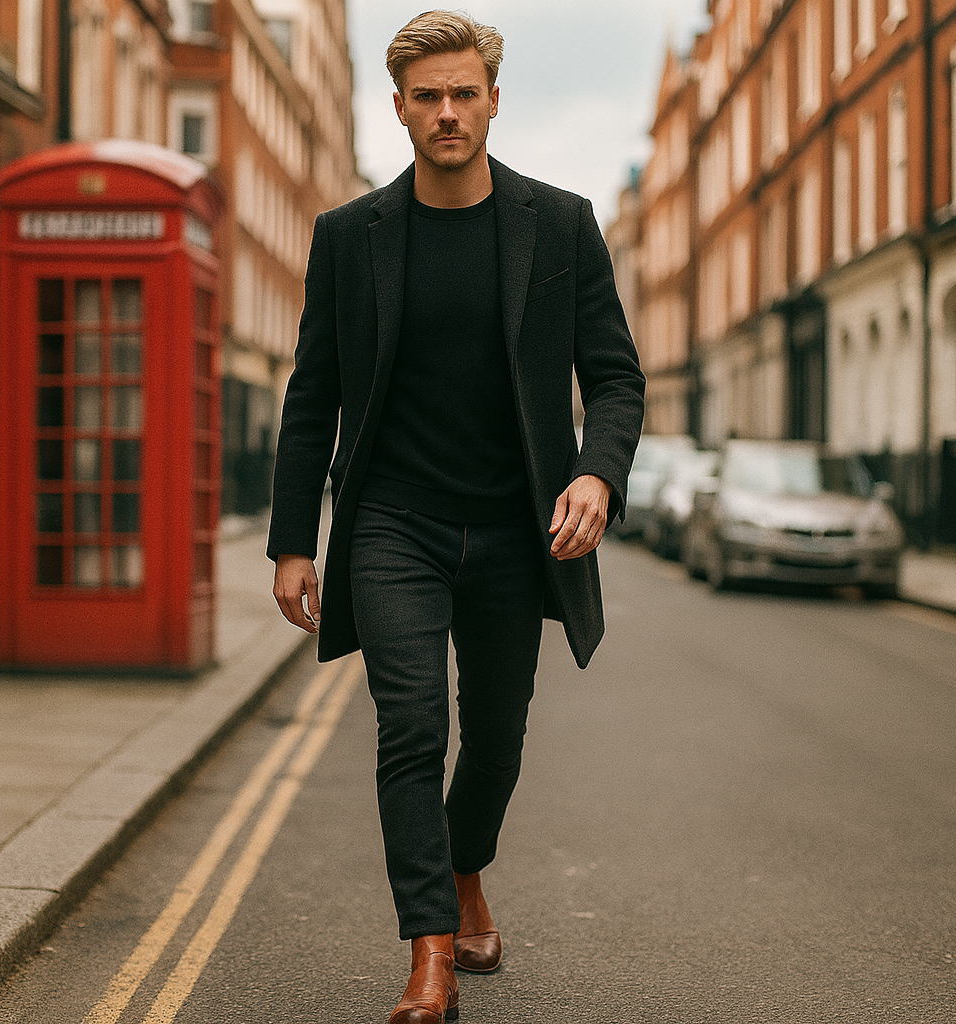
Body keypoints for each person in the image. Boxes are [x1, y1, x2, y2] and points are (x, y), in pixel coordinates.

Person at [268, 10, 644, 1023]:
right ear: (398, 108)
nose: (445, 111)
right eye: (425, 96)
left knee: (498, 740)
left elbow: (612, 377)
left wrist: (597, 477)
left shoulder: (558, 224)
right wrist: (293, 540)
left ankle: (466, 864)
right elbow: (313, 395)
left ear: (490, 99)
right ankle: (429, 951)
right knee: (410, 727)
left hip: (515, 528)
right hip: (394, 521)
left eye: (461, 93)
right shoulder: (350, 237)